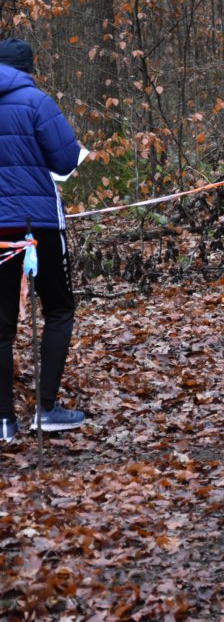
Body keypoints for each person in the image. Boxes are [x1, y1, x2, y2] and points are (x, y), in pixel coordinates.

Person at [0, 37, 87, 443]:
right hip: (39, 225)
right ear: (28, 69)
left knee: (1, 325)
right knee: (59, 309)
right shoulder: (37, 102)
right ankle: (46, 409)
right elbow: (66, 160)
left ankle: (4, 421)